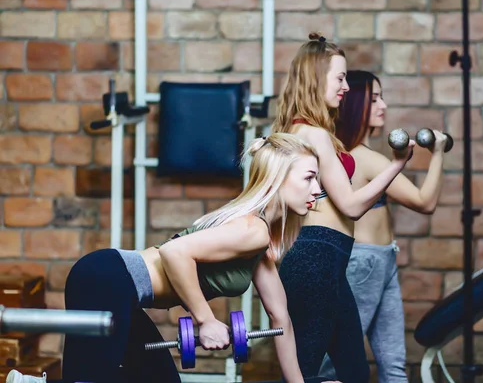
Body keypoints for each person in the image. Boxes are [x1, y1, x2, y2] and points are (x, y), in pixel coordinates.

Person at [7, 133, 331, 383]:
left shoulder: (260, 241)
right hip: (109, 280)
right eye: (308, 177)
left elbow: (281, 319)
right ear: (279, 178)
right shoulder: (253, 229)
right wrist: (205, 320)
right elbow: (174, 252)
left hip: (115, 283)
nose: (317, 188)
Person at [272, 33, 415, 383]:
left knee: (351, 371)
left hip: (330, 262)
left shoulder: (307, 130)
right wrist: (397, 164)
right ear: (316, 80)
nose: (347, 87)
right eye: (340, 78)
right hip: (316, 259)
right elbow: (351, 206)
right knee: (304, 370)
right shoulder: (313, 134)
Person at [318, 70, 447, 383]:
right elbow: (424, 202)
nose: (383, 105)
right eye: (374, 99)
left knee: (393, 365)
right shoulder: (363, 158)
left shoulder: (359, 156)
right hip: (363, 263)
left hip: (382, 260)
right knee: (333, 366)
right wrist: (438, 153)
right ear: (355, 105)